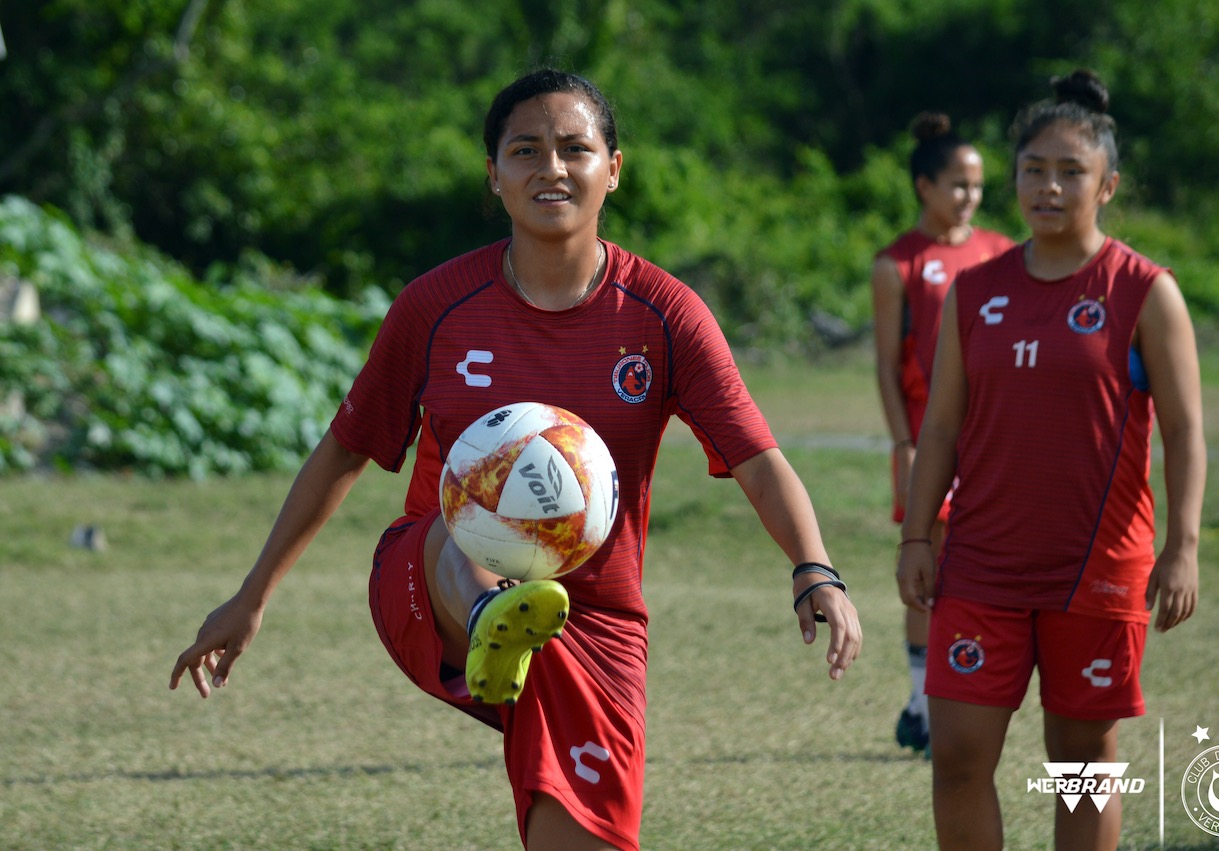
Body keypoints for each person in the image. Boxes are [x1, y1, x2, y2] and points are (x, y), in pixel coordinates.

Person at [169, 69, 863, 851]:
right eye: (525, 150)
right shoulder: (436, 307)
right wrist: (251, 595)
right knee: (455, 521)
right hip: (432, 582)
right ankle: (491, 619)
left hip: (594, 622)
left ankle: (517, 631)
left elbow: (755, 455)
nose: (552, 168)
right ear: (493, 176)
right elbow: (346, 449)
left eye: (575, 148)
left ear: (614, 168)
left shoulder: (666, 315)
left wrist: (815, 567)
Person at [896, 69, 1204, 851]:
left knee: (1083, 766)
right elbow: (940, 429)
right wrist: (916, 538)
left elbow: (1185, 431)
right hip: (981, 565)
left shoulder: (1144, 292)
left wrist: (1184, 547)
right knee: (958, 760)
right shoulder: (976, 292)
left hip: (1096, 571)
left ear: (1108, 185)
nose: (1049, 187)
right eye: (1034, 170)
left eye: (1072, 172)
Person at [871, 112, 1013, 756]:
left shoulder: (1001, 251)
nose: (970, 196)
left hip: (988, 441)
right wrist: (904, 441)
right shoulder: (897, 263)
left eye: (977, 185)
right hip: (929, 444)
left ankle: (932, 703)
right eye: (958, 183)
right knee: (927, 565)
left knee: (979, 566)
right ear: (924, 186)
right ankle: (926, 706)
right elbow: (884, 364)